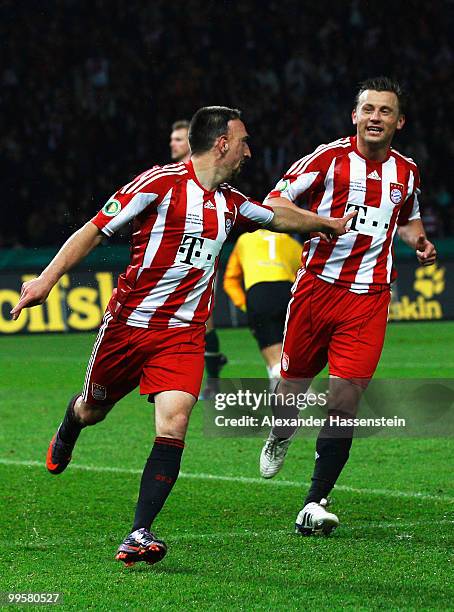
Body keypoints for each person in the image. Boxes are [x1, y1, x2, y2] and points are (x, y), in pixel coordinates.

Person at [11, 106, 356, 566]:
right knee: (93, 408)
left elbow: (277, 218)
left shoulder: (232, 203)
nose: (249, 151)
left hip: (183, 334)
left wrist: (327, 224)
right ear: (222, 143)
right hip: (129, 327)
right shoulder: (156, 183)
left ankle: (138, 532)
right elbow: (92, 231)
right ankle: (72, 421)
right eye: (244, 141)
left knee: (174, 423)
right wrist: (46, 280)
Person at [259, 77, 437, 535]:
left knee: (344, 401)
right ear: (354, 116)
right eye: (368, 109)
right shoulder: (327, 159)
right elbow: (272, 204)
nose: (375, 117)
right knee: (290, 395)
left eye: (385, 111)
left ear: (399, 121)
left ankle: (314, 501)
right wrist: (320, 222)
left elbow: (408, 216)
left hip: (370, 300)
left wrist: (418, 239)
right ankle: (280, 433)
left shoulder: (407, 172)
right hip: (316, 293)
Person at [170, 118, 228, 397]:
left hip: (199, 259)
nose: (173, 143)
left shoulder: (208, 180)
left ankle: (212, 379)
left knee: (205, 321)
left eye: (179, 139)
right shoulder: (168, 177)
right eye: (172, 138)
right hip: (171, 262)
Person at [223, 229, 301, 387]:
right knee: (286, 352)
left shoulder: (245, 238)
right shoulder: (293, 243)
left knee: (273, 356)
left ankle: (301, 393)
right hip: (288, 294)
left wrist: (246, 306)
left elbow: (230, 280)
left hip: (258, 293)